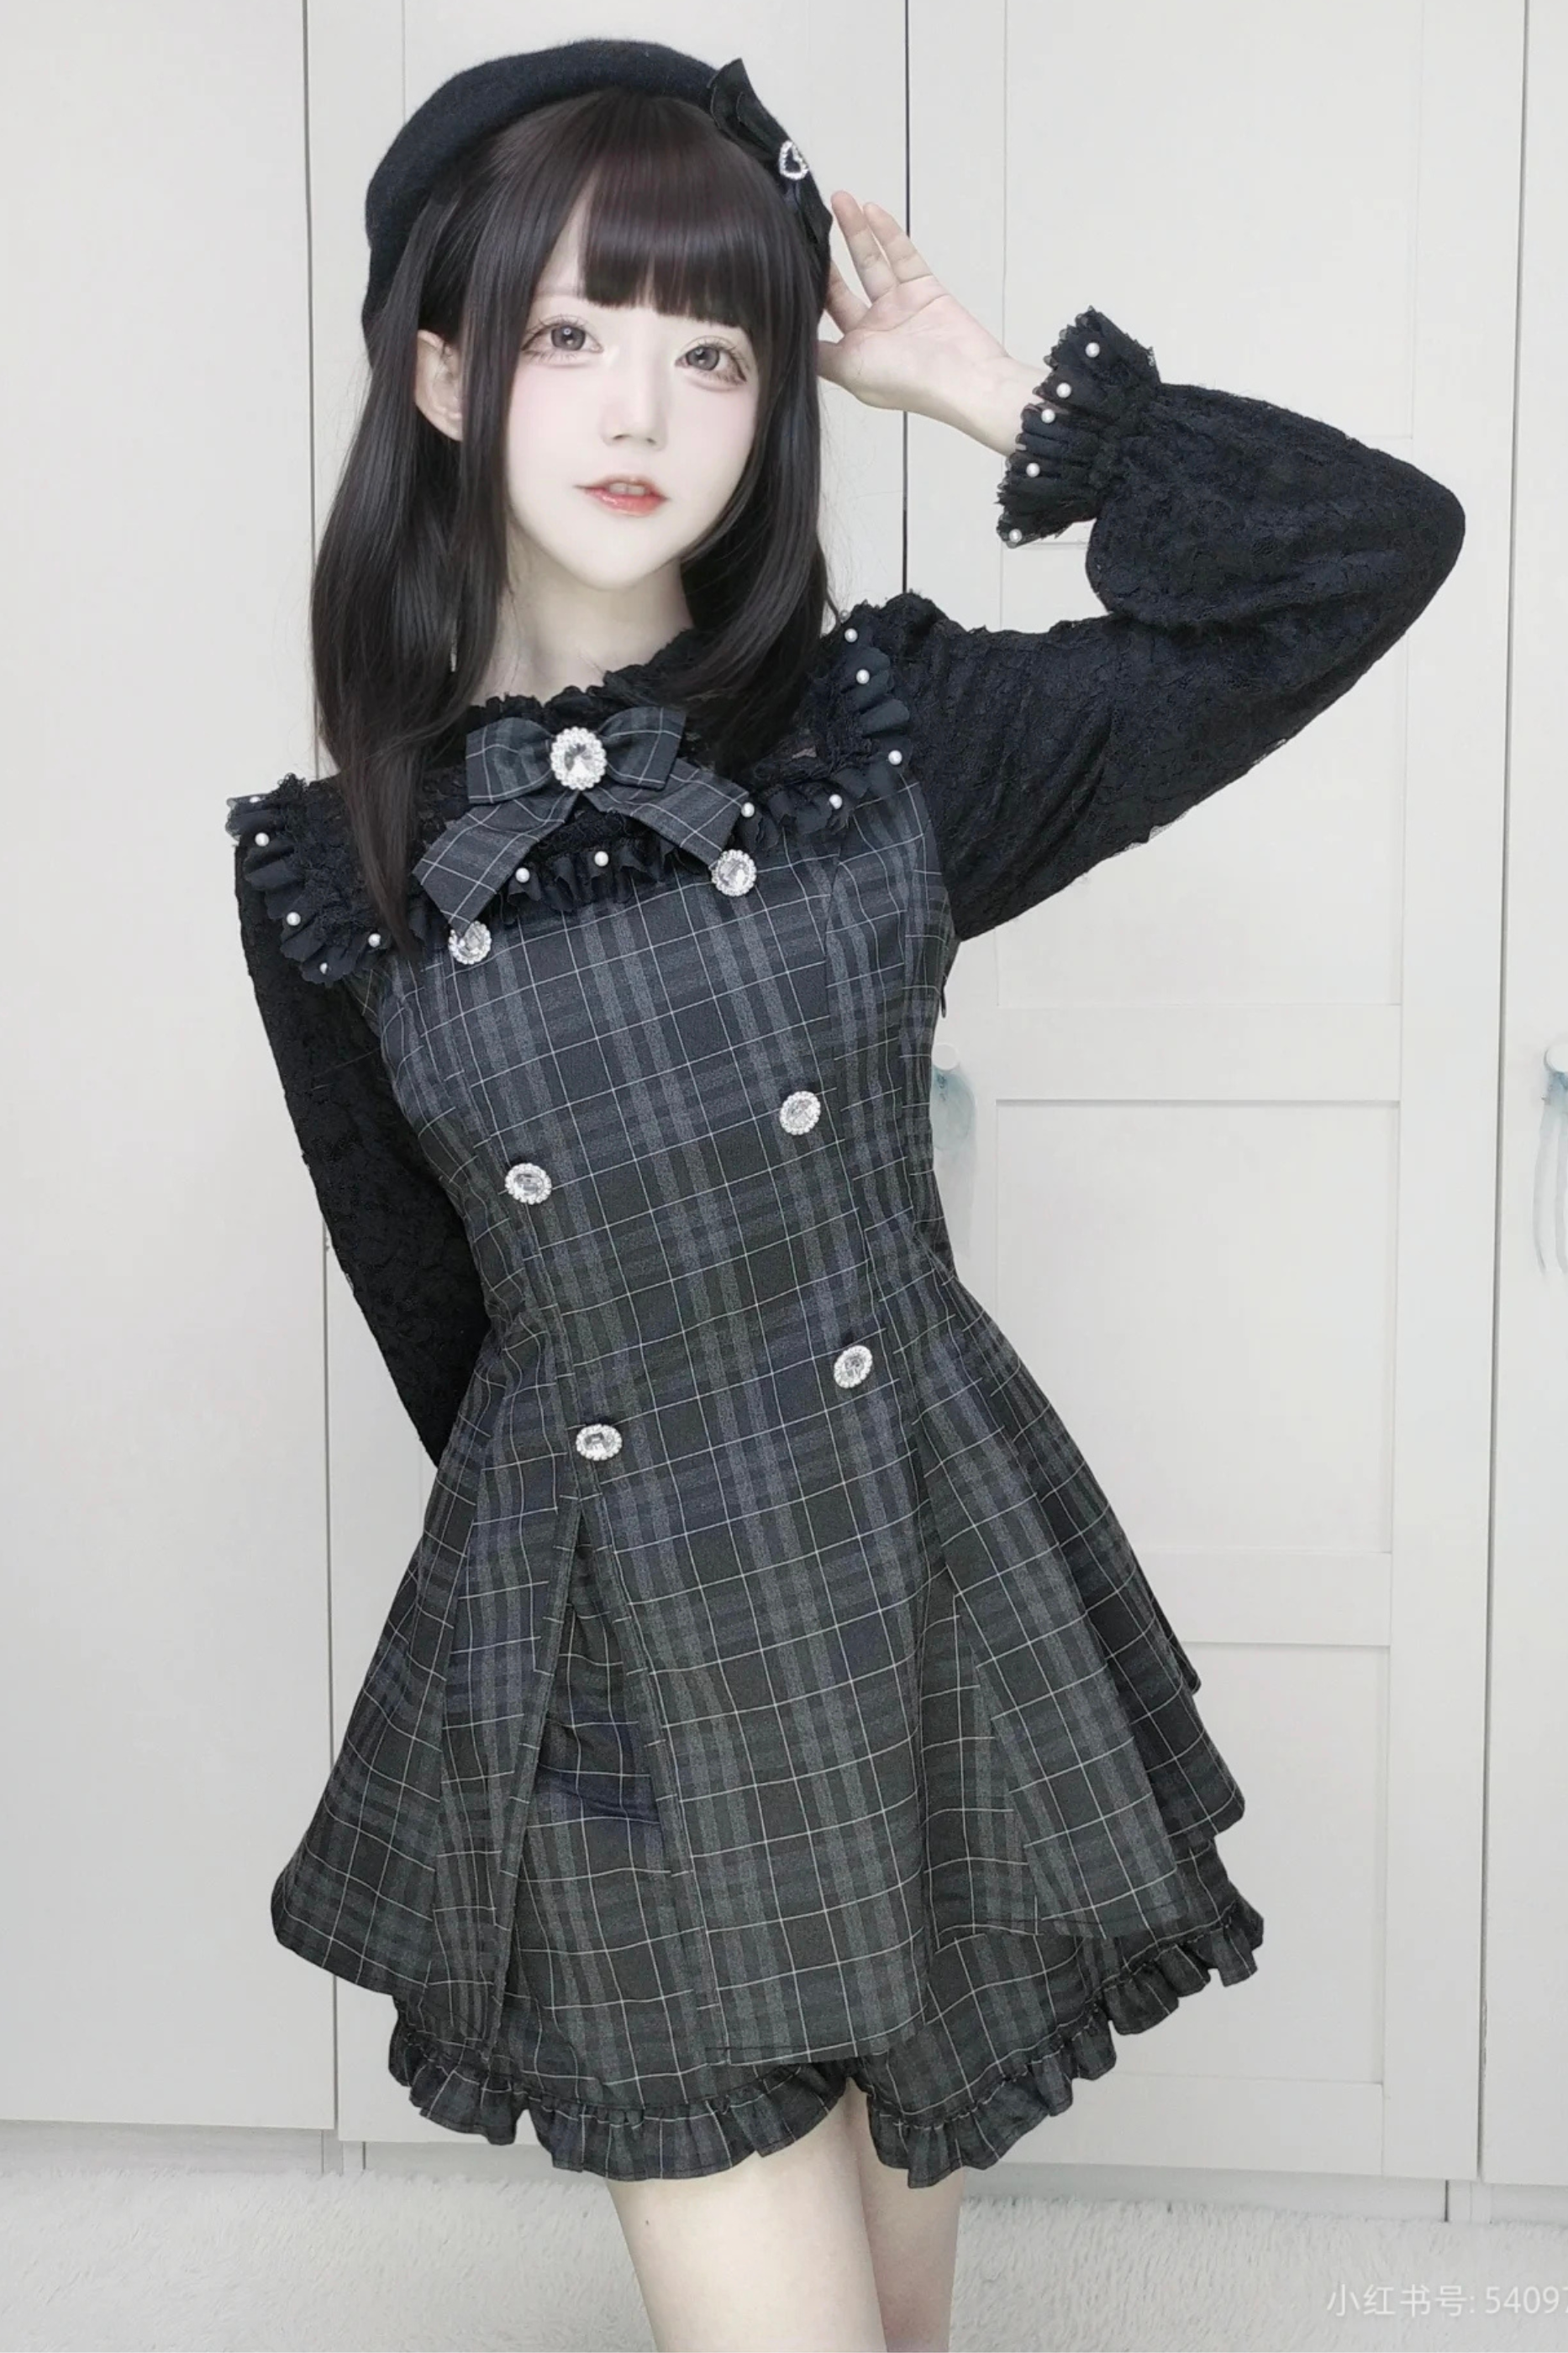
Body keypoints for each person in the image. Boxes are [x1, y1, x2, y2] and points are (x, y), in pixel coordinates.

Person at [225, 39, 1465, 2353]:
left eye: (715, 350)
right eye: (570, 331)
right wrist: (563, 1671)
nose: (642, 406)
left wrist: (982, 388)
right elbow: (443, 1336)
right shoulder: (332, 871)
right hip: (621, 1659)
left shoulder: (882, 740)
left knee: (896, 2324)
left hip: (909, 1598)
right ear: (442, 373)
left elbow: (1365, 555)